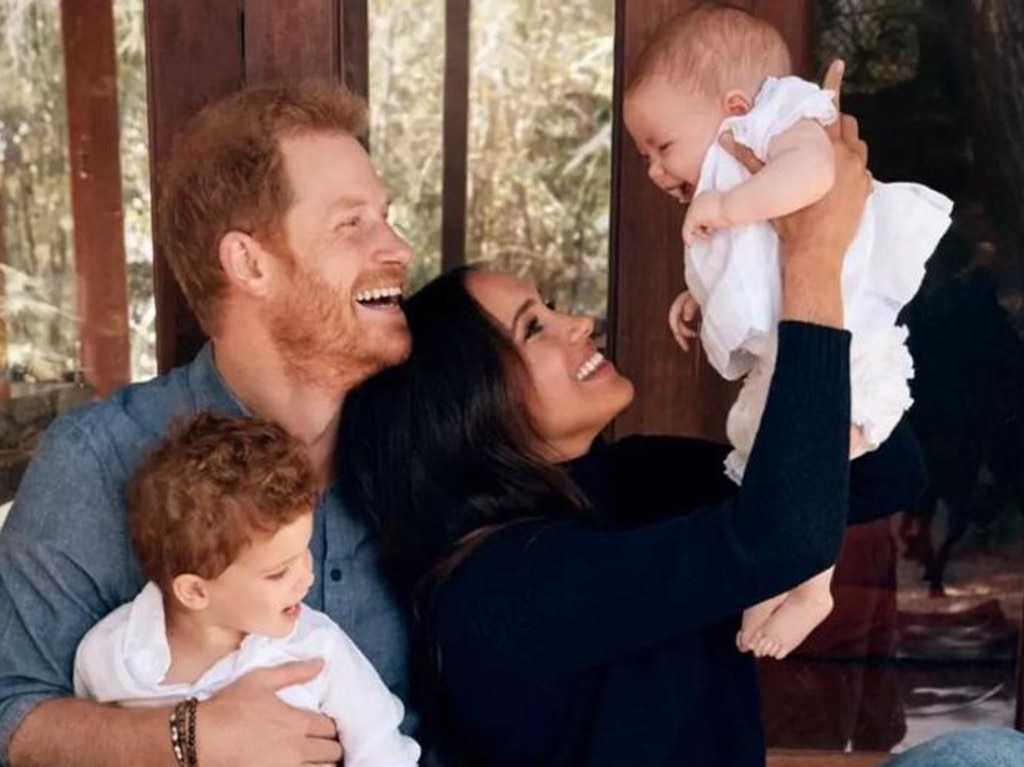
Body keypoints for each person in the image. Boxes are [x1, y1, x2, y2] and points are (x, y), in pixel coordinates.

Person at [337, 101, 1024, 766]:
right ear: (466, 407)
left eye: (548, 305)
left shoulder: (632, 478)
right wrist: (810, 259)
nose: (575, 322)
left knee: (990, 755)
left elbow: (881, 475)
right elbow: (783, 539)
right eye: (534, 327)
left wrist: (778, 303)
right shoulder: (497, 592)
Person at [0, 80, 412, 767]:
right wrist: (188, 737)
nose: (396, 245)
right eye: (352, 224)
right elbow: (9, 710)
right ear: (249, 262)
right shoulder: (98, 459)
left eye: (385, 215)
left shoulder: (416, 438)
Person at [622, 3, 953, 659]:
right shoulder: (733, 171)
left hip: (849, 343)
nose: (657, 171)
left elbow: (815, 177)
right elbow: (756, 265)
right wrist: (698, 297)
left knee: (809, 459)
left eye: (663, 147)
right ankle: (776, 574)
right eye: (644, 158)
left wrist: (728, 203)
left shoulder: (785, 120)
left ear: (735, 105)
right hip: (796, 346)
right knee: (761, 454)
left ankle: (811, 586)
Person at [73, 414, 420, 767]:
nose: (307, 578)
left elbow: (382, 749)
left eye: (305, 553)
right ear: (194, 591)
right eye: (278, 572)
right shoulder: (109, 656)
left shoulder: (316, 649)